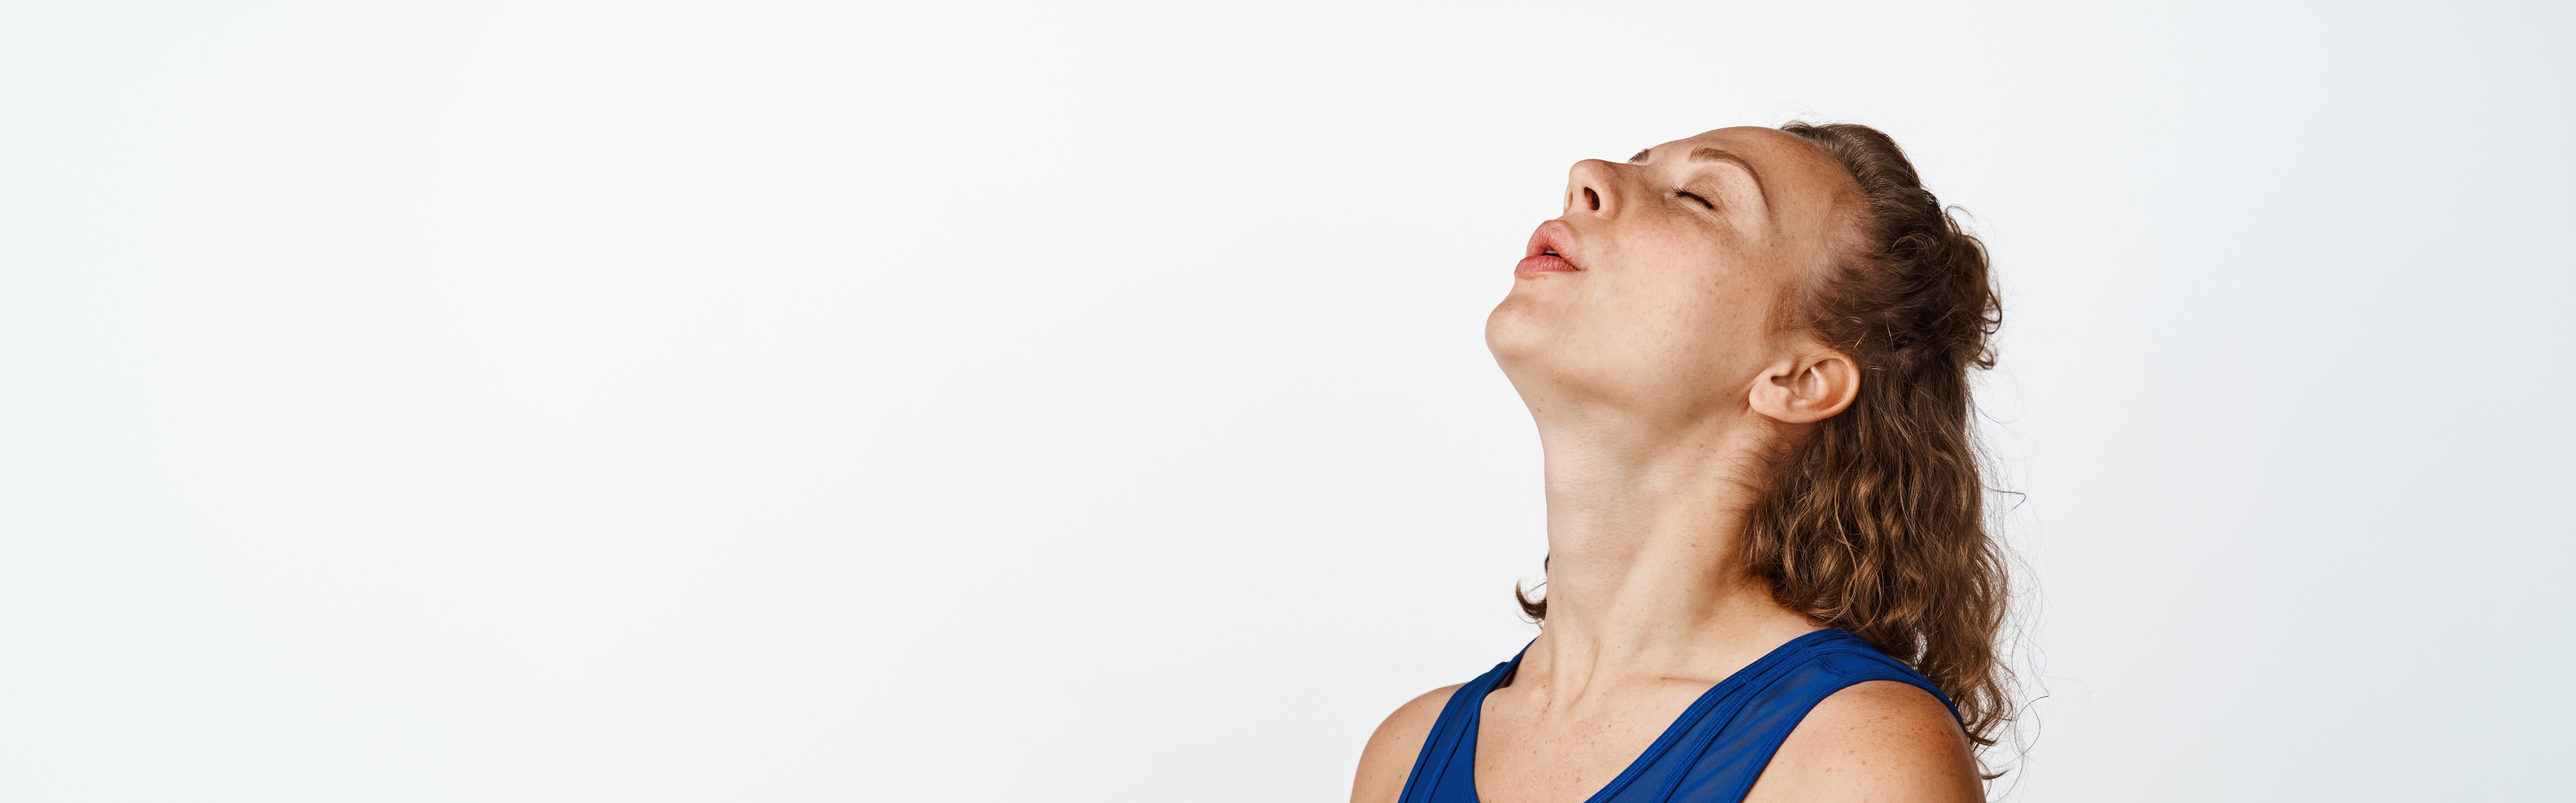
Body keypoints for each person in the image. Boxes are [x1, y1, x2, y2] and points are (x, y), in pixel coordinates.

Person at [1350, 122, 2011, 803]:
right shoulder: (1405, 756)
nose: (1588, 175)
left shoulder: (1854, 755)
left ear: (1800, 378)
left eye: (1699, 198)